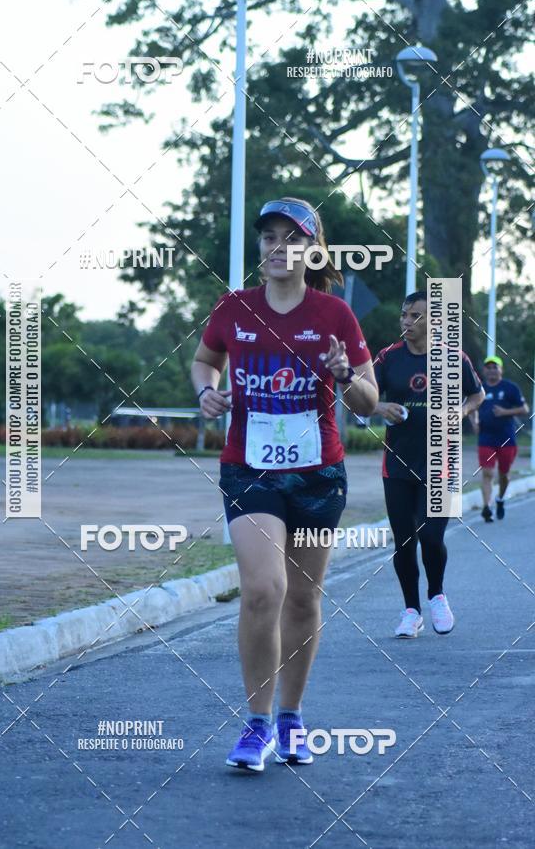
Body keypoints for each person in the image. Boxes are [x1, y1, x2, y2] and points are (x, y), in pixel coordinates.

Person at [190, 197, 378, 772]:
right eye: (269, 237)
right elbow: (205, 360)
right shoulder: (235, 308)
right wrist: (207, 393)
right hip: (249, 469)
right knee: (262, 589)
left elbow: (367, 402)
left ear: (310, 250)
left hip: (318, 472)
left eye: (292, 239)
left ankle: (292, 717)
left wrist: (345, 374)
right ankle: (256, 723)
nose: (278, 247)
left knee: (302, 598)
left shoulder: (335, 316)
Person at [374, 291, 484, 639]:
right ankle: (411, 611)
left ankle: (436, 594)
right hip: (397, 464)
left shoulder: (454, 358)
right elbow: (357, 395)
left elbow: (476, 394)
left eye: (415, 316)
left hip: (442, 461)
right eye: (405, 315)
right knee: (404, 541)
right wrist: (380, 409)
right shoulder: (388, 358)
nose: (407, 322)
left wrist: (462, 411)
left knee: (431, 535)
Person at [470, 355, 529, 522]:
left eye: (495, 367)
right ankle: (487, 507)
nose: (491, 370)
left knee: (504, 474)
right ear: (484, 370)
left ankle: (500, 499)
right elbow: (470, 406)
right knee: (487, 473)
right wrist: (474, 422)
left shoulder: (510, 388)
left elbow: (524, 408)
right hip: (486, 438)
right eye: (488, 367)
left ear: (501, 370)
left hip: (506, 439)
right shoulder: (478, 388)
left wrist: (505, 412)